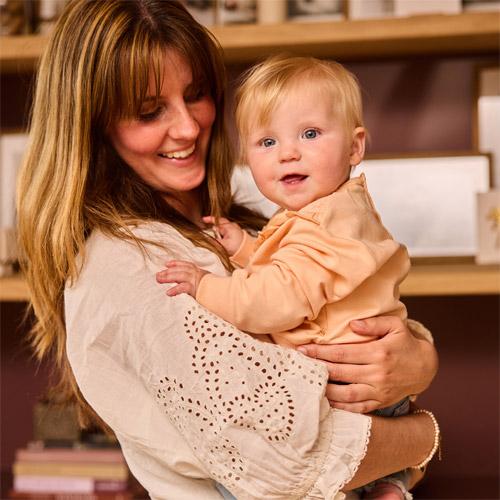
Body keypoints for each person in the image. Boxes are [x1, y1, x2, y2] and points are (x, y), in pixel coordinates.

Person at [16, 1, 439, 499]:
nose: (188, 127)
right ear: (93, 127)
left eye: (196, 94)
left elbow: (347, 319)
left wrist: (418, 358)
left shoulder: (255, 224)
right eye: (150, 111)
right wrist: (424, 434)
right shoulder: (128, 263)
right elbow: (291, 468)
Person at [158, 55, 414, 499]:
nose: (288, 152)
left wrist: (205, 286)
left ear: (355, 148)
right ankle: (390, 484)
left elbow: (275, 301)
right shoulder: (331, 210)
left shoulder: (324, 222)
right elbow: (297, 272)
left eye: (310, 134)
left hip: (350, 395)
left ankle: (387, 481)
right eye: (267, 141)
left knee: (246, 481)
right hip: (370, 387)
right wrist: (245, 247)